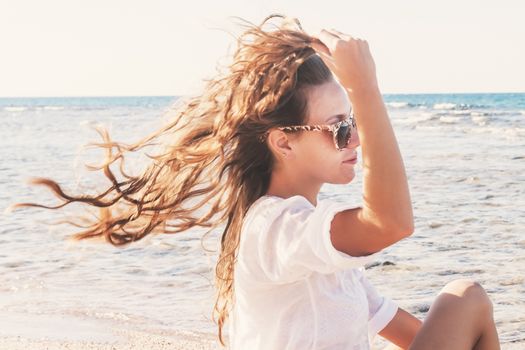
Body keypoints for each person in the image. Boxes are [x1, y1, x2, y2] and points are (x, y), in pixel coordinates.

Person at [12, 14, 500, 350]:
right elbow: (391, 223)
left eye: (355, 124)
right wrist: (365, 89)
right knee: (467, 295)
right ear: (283, 142)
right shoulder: (276, 226)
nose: (356, 140)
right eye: (340, 128)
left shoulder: (318, 249)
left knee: (466, 304)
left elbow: (415, 337)